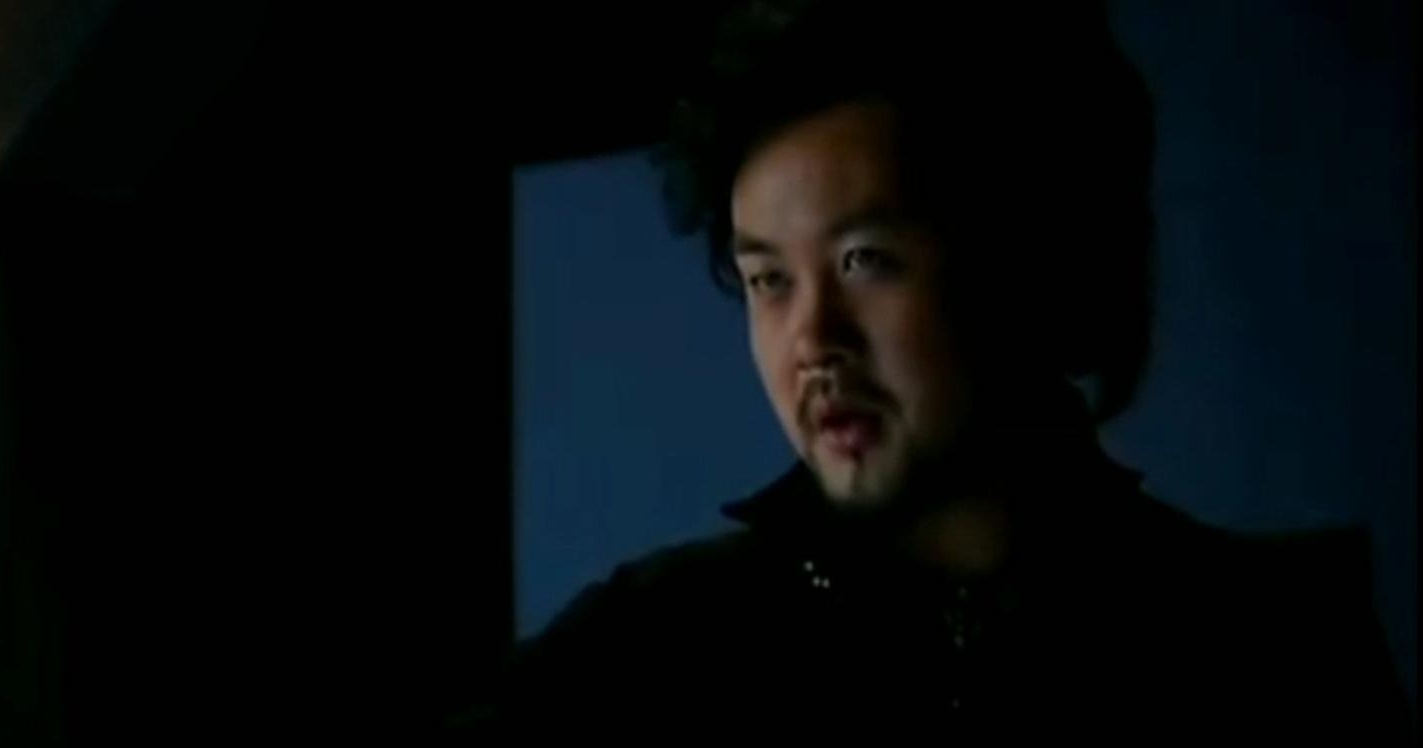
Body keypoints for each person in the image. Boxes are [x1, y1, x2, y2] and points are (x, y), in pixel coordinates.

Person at [464, 0, 1412, 741]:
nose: (812, 339)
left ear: (1026, 258)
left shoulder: (1270, 644)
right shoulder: (651, 649)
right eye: (768, 281)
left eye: (864, 260)